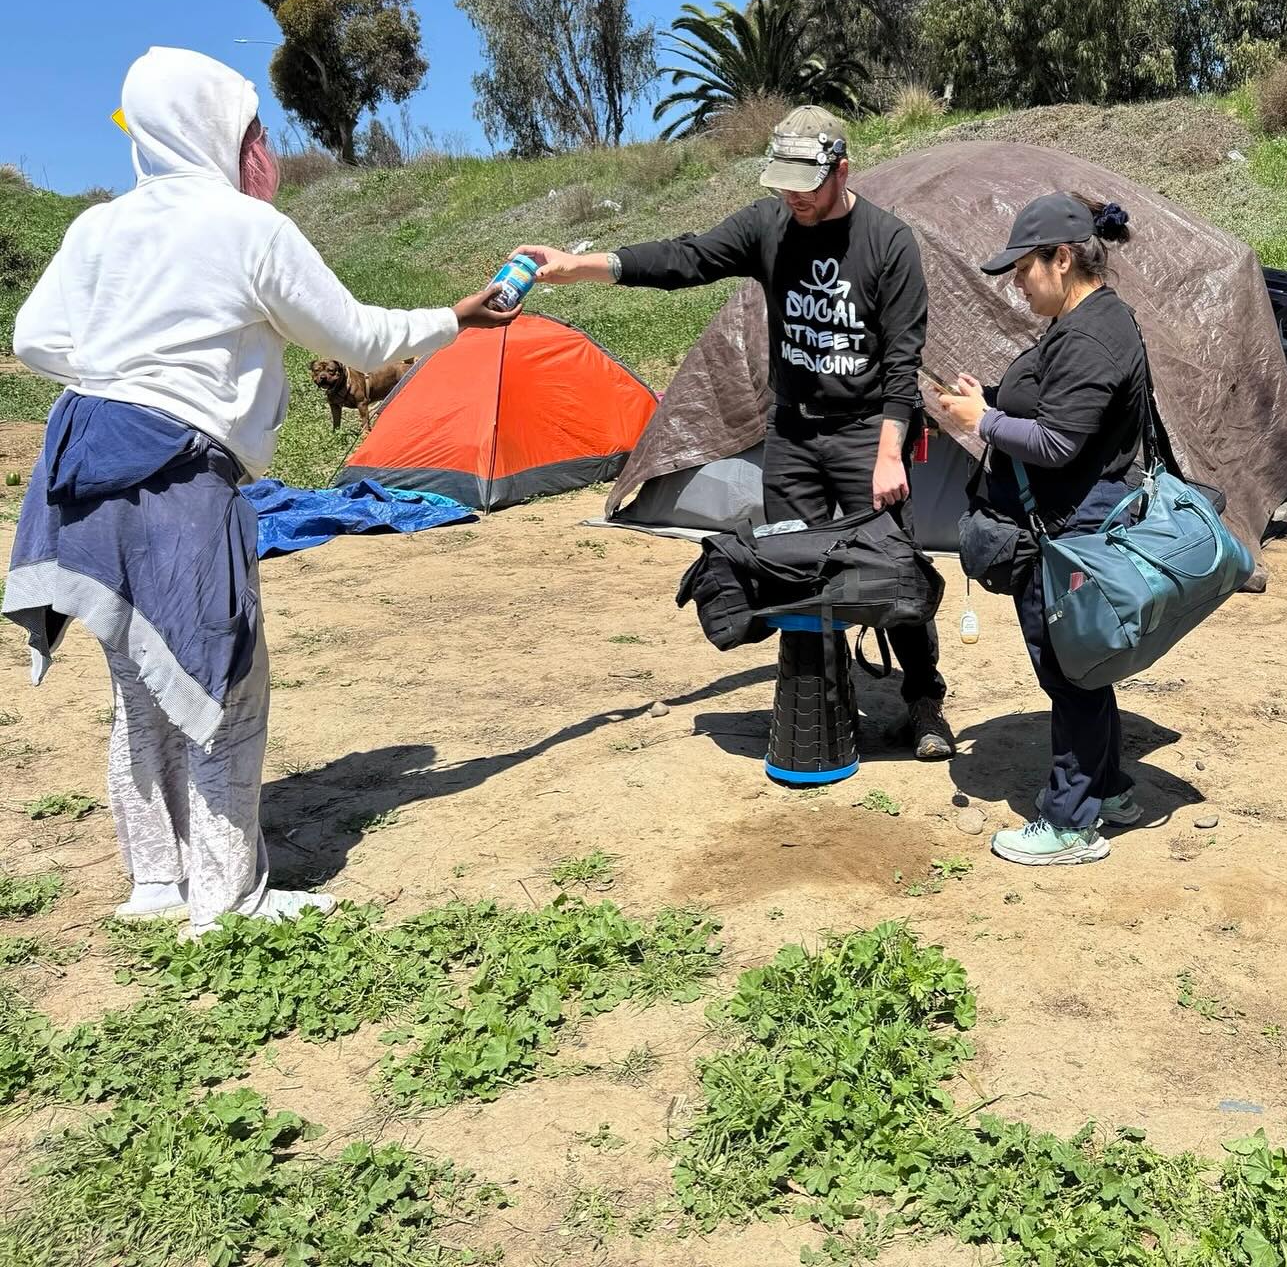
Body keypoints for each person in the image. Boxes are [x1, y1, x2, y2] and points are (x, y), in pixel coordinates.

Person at [2, 46, 519, 938]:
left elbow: (34, 339)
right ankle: (225, 899)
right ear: (215, 131)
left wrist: (126, 372)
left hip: (79, 466)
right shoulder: (248, 230)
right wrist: (457, 318)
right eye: (254, 131)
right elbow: (360, 341)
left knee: (138, 682)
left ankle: (155, 885)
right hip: (177, 477)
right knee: (223, 683)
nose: (264, 150)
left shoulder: (98, 227)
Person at [510, 106, 954, 759]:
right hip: (795, 439)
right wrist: (582, 266)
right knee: (799, 573)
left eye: (808, 182)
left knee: (892, 570)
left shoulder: (888, 243)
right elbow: (684, 258)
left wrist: (890, 454)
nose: (795, 196)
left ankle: (923, 700)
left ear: (842, 170)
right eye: (785, 183)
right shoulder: (768, 225)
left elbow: (902, 360)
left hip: (866, 437)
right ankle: (828, 707)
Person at [936, 193, 1147, 864]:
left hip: (1069, 531)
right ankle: (1107, 788)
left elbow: (1058, 442)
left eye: (1023, 270)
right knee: (1087, 665)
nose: (1017, 286)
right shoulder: (1086, 321)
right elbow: (1055, 407)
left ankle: (1070, 825)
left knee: (1069, 676)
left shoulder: (1090, 334)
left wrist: (984, 423)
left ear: (1062, 258)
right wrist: (991, 400)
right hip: (1067, 523)